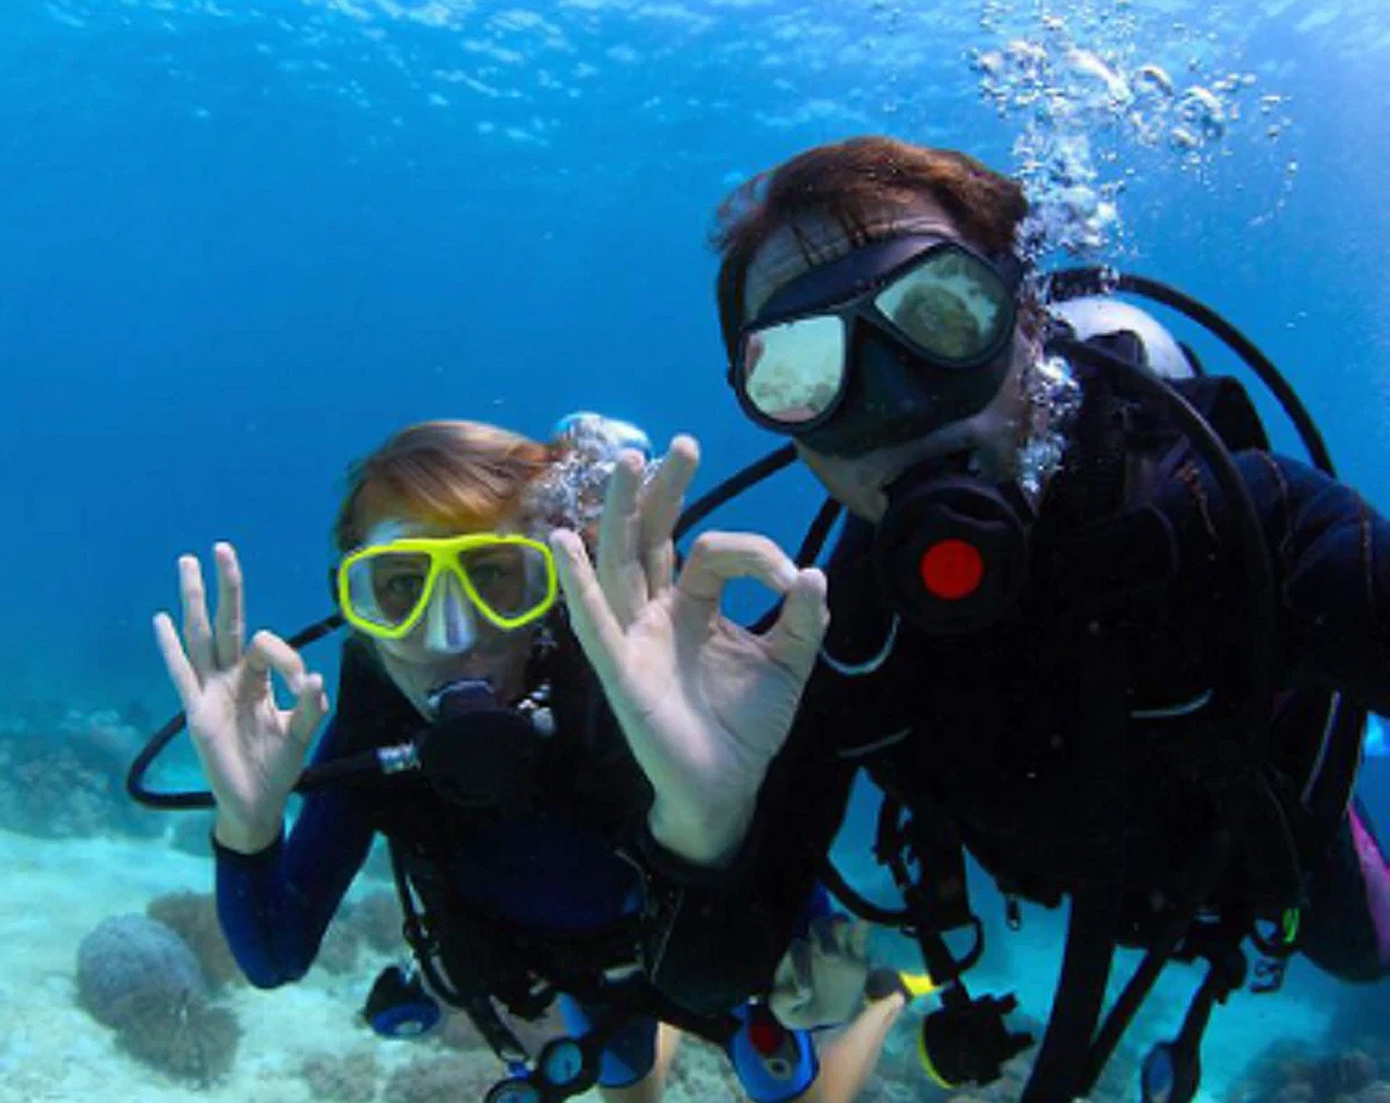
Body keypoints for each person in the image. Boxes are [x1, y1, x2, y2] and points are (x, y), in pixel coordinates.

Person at [546, 137, 1390, 1103]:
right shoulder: (828, 640)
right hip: (1065, 868)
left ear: (1027, 319)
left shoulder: (1236, 519)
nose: (898, 405)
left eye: (940, 318)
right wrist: (703, 819)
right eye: (806, 371)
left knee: (1366, 951)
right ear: (784, 426)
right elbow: (707, 976)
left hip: (1255, 857)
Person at [150, 415, 910, 1103]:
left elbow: (760, 844)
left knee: (793, 1096)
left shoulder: (623, 682)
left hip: (702, 934)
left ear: (548, 583)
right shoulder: (374, 716)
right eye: (402, 587)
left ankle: (888, 999)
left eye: (491, 575)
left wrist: (813, 950)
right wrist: (247, 825)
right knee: (626, 1088)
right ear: (362, 615)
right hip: (578, 972)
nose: (451, 636)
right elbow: (274, 953)